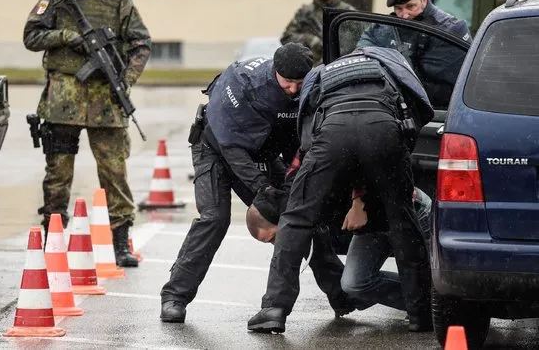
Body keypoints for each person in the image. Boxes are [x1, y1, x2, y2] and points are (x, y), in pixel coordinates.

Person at [160, 43, 356, 323]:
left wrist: (294, 184)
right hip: (215, 149)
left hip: (262, 151)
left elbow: (297, 143)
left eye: (298, 83)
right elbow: (232, 151)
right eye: (287, 82)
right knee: (215, 219)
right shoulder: (244, 84)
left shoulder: (308, 88)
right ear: (276, 72)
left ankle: (340, 294)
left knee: (299, 213)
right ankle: (174, 297)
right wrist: (263, 190)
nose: (292, 89)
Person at [247, 46, 435, 334]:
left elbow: (307, 133)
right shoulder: (389, 63)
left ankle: (274, 309)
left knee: (295, 220)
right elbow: (420, 109)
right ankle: (420, 313)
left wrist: (308, 181)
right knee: (402, 222)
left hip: (332, 133)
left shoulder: (322, 74)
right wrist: (397, 157)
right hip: (383, 128)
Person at [22, 0, 151, 267]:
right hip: (63, 98)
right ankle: (53, 237)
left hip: (106, 100)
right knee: (58, 174)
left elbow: (141, 43)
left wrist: (126, 80)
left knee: (114, 172)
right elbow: (31, 35)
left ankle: (120, 241)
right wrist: (64, 37)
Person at [248, 184, 432, 315]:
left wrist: (359, 201)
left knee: (439, 283)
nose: (275, 244)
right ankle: (426, 303)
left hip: (406, 213)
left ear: (282, 221)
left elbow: (367, 166)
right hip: (372, 228)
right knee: (354, 284)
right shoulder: (300, 216)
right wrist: (340, 300)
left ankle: (432, 304)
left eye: (273, 237)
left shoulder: (309, 197)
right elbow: (322, 260)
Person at [357, 0, 471, 107]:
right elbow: (362, 55)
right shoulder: (383, 28)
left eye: (411, 6)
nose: (404, 15)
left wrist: (387, 63)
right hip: (391, 108)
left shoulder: (451, 30)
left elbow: (425, 80)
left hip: (438, 113)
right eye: (399, 8)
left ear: (424, 0)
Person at [281, 0, 355, 65]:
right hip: (311, 66)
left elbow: (358, 38)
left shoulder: (347, 11)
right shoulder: (305, 12)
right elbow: (286, 37)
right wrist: (310, 40)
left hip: (341, 63)